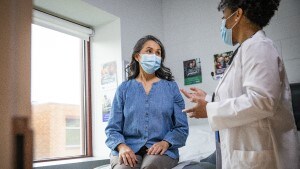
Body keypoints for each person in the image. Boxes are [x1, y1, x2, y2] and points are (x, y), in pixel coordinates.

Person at [180, 0, 300, 169]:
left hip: (261, 158)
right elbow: (239, 95)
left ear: (237, 15)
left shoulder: (259, 47)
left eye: (224, 17)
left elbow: (262, 101)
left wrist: (208, 109)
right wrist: (208, 98)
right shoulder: (246, 49)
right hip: (246, 151)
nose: (223, 23)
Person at [105, 35, 189, 169]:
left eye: (158, 53)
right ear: (137, 57)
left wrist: (166, 143)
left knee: (150, 166)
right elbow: (112, 129)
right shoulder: (123, 89)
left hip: (162, 150)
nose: (154, 56)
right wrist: (121, 147)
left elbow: (182, 127)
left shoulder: (171, 88)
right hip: (128, 147)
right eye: (149, 51)